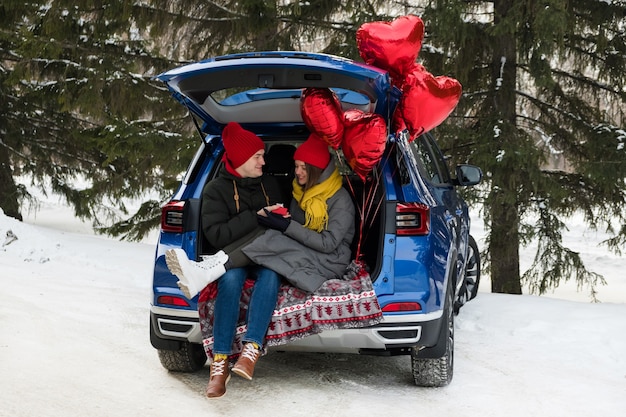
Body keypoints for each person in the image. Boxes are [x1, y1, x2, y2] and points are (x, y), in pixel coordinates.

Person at [165, 121, 284, 399]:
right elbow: (218, 236)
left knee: (271, 274)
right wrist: (257, 217)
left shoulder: (270, 183)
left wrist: (268, 218)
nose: (263, 161)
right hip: (233, 254)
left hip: (266, 252)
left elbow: (279, 221)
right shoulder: (215, 190)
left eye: (263, 155)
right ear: (242, 158)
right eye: (257, 156)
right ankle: (220, 364)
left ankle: (250, 351)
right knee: (230, 279)